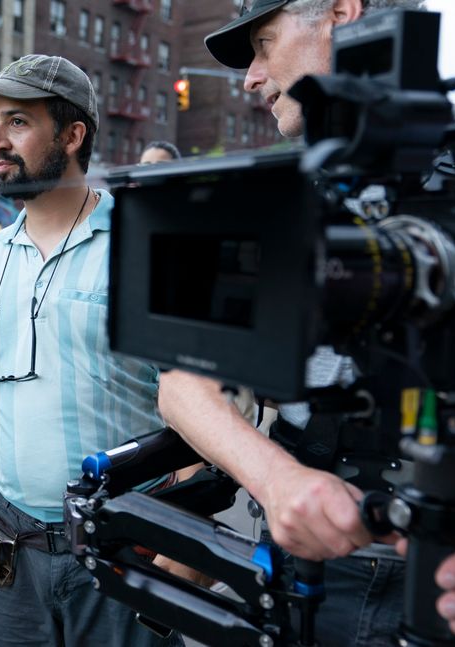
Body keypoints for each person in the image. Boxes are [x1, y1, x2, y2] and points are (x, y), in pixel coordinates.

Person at [157, 1, 427, 645]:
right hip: (313, 565)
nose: (251, 77)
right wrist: (277, 481)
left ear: (341, 11)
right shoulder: (276, 196)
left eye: (265, 43)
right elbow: (184, 385)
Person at [0, 54, 180, 647]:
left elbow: (198, 404)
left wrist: (183, 538)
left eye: (16, 122)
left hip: (124, 546)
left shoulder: (146, 244)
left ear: (72, 135)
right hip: (10, 547)